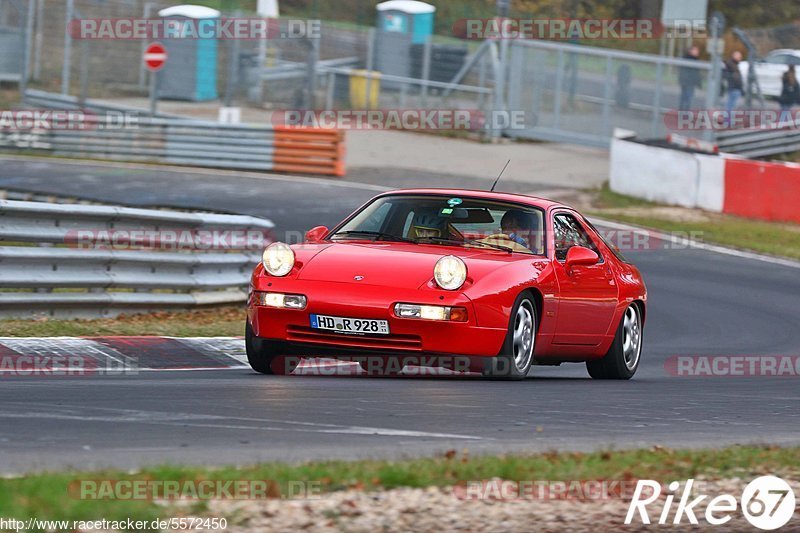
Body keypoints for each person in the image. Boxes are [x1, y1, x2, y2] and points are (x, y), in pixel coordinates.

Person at [678, 46, 702, 111]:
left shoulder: (687, 58)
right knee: (688, 98)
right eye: (696, 50)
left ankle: (682, 111)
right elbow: (695, 73)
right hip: (689, 81)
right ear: (691, 51)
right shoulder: (692, 59)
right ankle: (684, 112)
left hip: (685, 81)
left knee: (684, 97)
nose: (697, 52)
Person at [723, 51, 744, 117]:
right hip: (733, 87)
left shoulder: (734, 65)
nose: (740, 58)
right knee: (731, 106)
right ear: (734, 56)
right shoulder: (730, 64)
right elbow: (728, 75)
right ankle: (727, 121)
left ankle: (728, 121)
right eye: (738, 56)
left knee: (731, 106)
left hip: (735, 88)